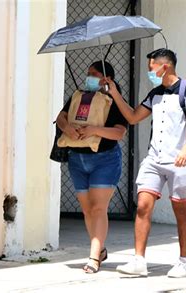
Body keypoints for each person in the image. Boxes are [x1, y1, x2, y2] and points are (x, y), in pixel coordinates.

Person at [101, 48, 186, 278]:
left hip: (178, 161)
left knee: (181, 210)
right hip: (154, 160)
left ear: (164, 66)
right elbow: (133, 117)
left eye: (151, 67)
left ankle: (184, 262)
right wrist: (114, 92)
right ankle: (139, 261)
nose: (149, 72)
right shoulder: (154, 93)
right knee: (143, 206)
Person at [56, 60, 128, 274]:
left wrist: (94, 130)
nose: (89, 77)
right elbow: (61, 116)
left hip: (105, 159)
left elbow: (119, 133)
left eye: (94, 74)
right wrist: (67, 127)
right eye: (88, 73)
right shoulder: (79, 96)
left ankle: (93, 257)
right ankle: (101, 249)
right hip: (77, 158)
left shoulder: (114, 101)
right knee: (87, 209)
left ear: (107, 78)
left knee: (98, 208)